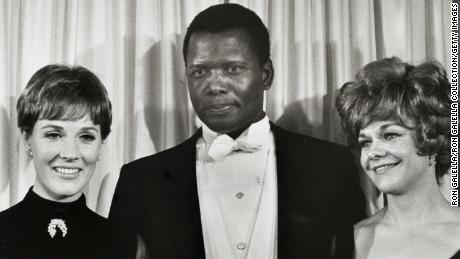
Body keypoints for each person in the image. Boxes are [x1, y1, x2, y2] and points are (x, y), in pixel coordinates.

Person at [109, 3, 365, 258]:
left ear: (266, 75)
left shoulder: (332, 166)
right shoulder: (140, 182)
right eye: (199, 71)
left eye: (233, 69)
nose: (214, 86)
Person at [0, 65, 137, 259]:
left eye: (86, 137)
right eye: (54, 135)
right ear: (26, 137)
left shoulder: (126, 246)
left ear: (102, 142)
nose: (70, 153)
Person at [335, 57, 460, 258]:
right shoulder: (352, 239)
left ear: (432, 137)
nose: (373, 152)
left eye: (389, 135)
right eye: (365, 142)